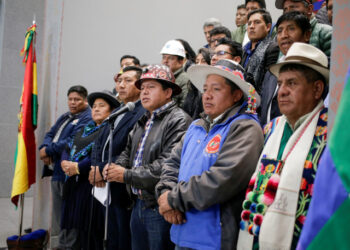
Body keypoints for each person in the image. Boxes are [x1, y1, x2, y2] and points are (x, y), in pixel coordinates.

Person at [156, 59, 264, 249]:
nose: (207, 96)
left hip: (214, 240)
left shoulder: (245, 127)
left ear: (237, 95)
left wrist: (173, 199)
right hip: (181, 233)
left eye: (216, 89)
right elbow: (171, 163)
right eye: (205, 89)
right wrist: (165, 193)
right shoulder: (196, 126)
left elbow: (223, 178)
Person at [237, 42, 328, 249]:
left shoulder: (331, 132)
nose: (282, 92)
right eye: (280, 83)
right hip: (258, 236)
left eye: (292, 83)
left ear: (317, 89)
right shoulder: (271, 128)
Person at [103, 65, 192, 250]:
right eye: (142, 88)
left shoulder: (179, 120)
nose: (144, 92)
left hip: (159, 207)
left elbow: (167, 165)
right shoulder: (144, 118)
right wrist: (115, 168)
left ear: (168, 92)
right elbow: (128, 151)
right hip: (138, 204)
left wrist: (126, 175)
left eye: (150, 87)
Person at [89, 66, 146, 250]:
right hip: (105, 184)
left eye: (128, 81)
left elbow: (132, 149)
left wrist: (103, 167)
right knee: (110, 235)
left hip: (123, 186)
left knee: (124, 238)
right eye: (119, 81)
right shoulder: (119, 111)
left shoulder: (142, 111)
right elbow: (99, 142)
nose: (121, 85)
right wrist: (95, 166)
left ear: (139, 84)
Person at [59, 90, 119, 249]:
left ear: (112, 111)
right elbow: (67, 146)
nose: (96, 109)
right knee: (74, 229)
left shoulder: (110, 130)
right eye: (94, 107)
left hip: (90, 186)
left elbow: (98, 155)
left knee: (90, 230)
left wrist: (78, 167)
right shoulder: (84, 129)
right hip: (73, 184)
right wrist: (65, 161)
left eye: (102, 106)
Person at [39, 85, 91, 249]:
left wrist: (48, 150)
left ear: (85, 100)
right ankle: (60, 245)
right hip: (56, 172)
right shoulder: (65, 116)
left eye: (77, 99)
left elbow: (72, 141)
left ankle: (68, 246)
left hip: (70, 173)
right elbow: (50, 134)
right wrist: (45, 146)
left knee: (69, 215)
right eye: (70, 99)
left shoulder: (86, 117)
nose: (73, 102)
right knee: (58, 215)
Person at [260, 11, 312, 125]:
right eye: (279, 31)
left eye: (291, 29)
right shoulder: (271, 72)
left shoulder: (316, 68)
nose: (284, 35)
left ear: (307, 35)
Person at [242, 9, 279, 94]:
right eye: (249, 23)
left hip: (258, 101)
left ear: (268, 27)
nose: (251, 26)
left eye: (257, 22)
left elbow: (268, 84)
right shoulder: (244, 49)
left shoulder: (272, 48)